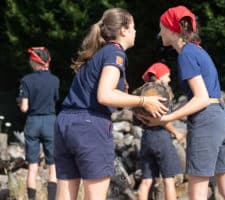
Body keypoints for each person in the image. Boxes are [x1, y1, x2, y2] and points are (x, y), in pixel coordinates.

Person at [53, 8, 168, 200]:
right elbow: (105, 95)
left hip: (65, 123)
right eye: (133, 27)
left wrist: (126, 97)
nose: (135, 32)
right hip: (89, 125)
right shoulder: (116, 53)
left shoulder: (97, 56)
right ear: (123, 30)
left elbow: (105, 92)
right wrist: (143, 100)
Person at [138, 5, 225, 200]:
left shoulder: (186, 53)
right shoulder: (198, 50)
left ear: (172, 29)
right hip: (223, 117)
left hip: (207, 119)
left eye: (161, 27)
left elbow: (201, 98)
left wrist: (166, 118)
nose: (159, 32)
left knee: (197, 194)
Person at [17, 47, 59, 200]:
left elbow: (24, 107)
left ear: (35, 62)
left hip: (33, 123)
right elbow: (54, 99)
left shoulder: (26, 80)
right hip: (49, 122)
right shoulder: (55, 80)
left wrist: (20, 101)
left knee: (33, 166)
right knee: (53, 166)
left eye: (30, 59)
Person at [137, 62, 183, 200]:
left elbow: (137, 114)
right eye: (167, 76)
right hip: (161, 138)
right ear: (159, 76)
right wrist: (176, 132)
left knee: (146, 181)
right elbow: (162, 119)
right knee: (169, 180)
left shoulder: (144, 92)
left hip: (146, 138)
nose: (169, 79)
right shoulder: (160, 93)